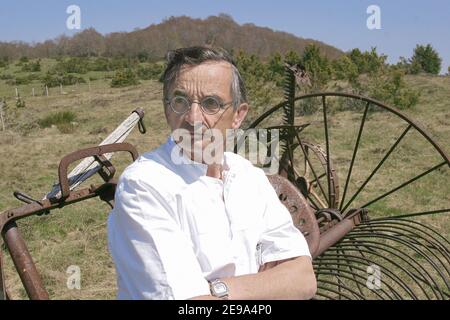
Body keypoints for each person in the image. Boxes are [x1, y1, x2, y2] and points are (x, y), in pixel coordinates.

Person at [107, 46, 317, 300]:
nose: (194, 118)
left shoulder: (247, 175)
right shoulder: (145, 185)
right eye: (180, 101)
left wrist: (217, 290)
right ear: (166, 109)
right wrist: (268, 285)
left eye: (211, 103)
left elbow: (303, 279)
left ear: (238, 116)